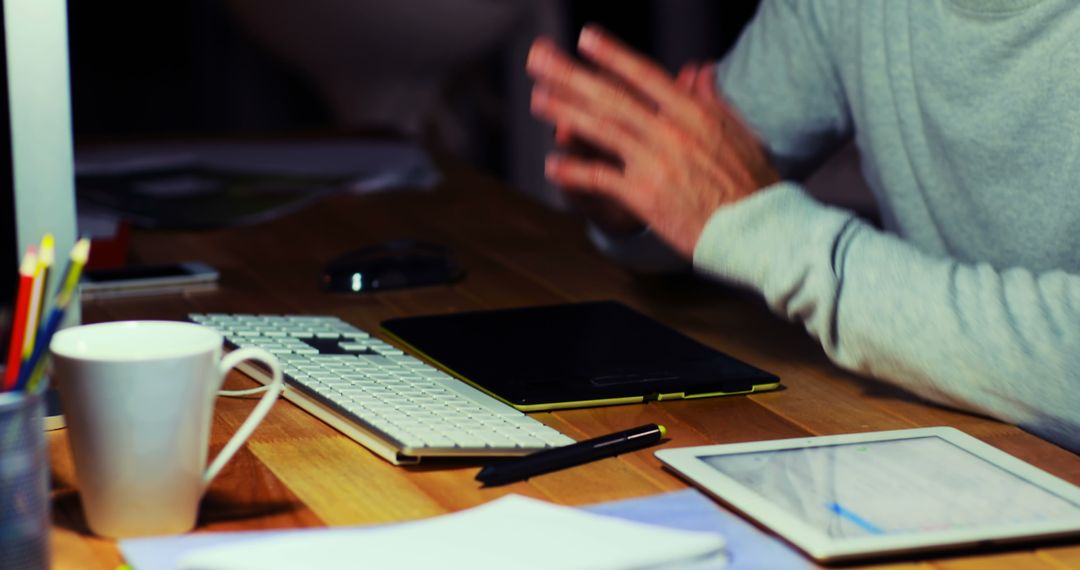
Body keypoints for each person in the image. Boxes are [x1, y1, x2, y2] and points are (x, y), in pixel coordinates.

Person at [525, 0, 1080, 452]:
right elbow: (714, 204)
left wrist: (767, 233)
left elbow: (745, 219)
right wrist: (638, 193)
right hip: (958, 447)